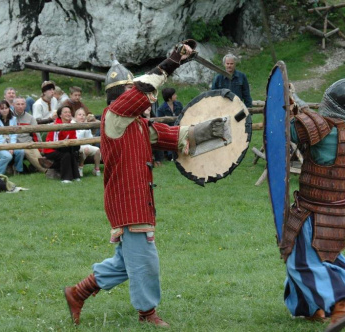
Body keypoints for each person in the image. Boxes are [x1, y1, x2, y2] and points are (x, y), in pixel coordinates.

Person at [63, 40, 225, 328]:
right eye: (130, 90)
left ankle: (78, 292)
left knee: (127, 262)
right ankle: (147, 313)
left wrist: (220, 128)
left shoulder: (138, 125)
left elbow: (173, 135)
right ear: (119, 96)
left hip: (138, 203)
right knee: (145, 262)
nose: (141, 97)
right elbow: (143, 92)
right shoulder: (113, 118)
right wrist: (173, 61)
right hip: (128, 204)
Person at [281, 77, 345, 332]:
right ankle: (313, 308)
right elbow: (313, 119)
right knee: (324, 257)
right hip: (336, 212)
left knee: (301, 261)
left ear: (329, 100)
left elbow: (292, 128)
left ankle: (338, 307)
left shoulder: (325, 129)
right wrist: (294, 99)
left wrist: (285, 105)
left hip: (314, 211)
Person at [43, 105, 80, 183]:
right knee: (66, 154)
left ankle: (76, 176)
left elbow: (74, 139)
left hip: (64, 147)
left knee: (73, 152)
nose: (68, 114)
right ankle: (66, 178)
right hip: (50, 149)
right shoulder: (56, 125)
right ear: (60, 115)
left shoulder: (72, 125)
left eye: (69, 112)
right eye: (65, 112)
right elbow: (55, 142)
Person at [13, 96, 48, 173]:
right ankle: (45, 171)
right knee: (30, 154)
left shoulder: (30, 118)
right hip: (16, 144)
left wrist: (40, 147)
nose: (20, 106)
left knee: (38, 156)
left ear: (25, 105)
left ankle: (45, 168)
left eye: (22, 104)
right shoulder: (10, 117)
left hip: (29, 142)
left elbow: (36, 134)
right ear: (13, 105)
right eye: (18, 104)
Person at [0, 100, 24, 176]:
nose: (4, 110)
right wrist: (7, 147)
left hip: (10, 144)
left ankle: (18, 170)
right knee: (7, 156)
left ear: (9, 108)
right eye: (2, 108)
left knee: (20, 151)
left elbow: (14, 134)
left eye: (6, 108)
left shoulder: (13, 119)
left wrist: (11, 146)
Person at [72, 108, 101, 177]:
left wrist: (87, 128)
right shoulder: (73, 124)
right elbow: (77, 137)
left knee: (97, 150)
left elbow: (90, 138)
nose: (82, 116)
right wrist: (84, 129)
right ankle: (80, 167)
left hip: (86, 144)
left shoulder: (86, 125)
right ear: (76, 117)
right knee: (86, 150)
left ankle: (96, 169)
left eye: (83, 115)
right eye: (79, 115)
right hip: (77, 145)